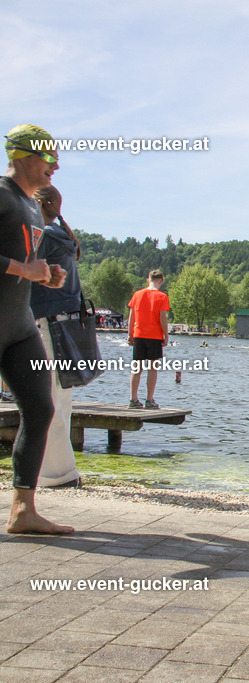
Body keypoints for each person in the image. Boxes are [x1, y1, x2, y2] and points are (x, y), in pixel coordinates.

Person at [1, 123, 73, 534]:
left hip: (18, 326)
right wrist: (24, 268)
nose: (55, 166)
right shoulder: (1, 194)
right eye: (49, 158)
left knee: (41, 408)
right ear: (22, 156)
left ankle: (22, 510)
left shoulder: (32, 206)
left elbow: (19, 263)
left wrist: (42, 275)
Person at [29, 184, 83, 487]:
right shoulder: (63, 237)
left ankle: (57, 473)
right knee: (61, 397)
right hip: (65, 323)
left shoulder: (42, 236)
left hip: (46, 322)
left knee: (44, 397)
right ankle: (60, 470)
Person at [127, 269, 170, 409]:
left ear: (148, 280)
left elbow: (131, 316)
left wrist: (130, 334)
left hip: (139, 334)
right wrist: (166, 335)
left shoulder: (137, 294)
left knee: (136, 368)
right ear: (160, 281)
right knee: (152, 368)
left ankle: (133, 400)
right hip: (154, 335)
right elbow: (162, 317)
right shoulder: (162, 297)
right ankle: (149, 400)